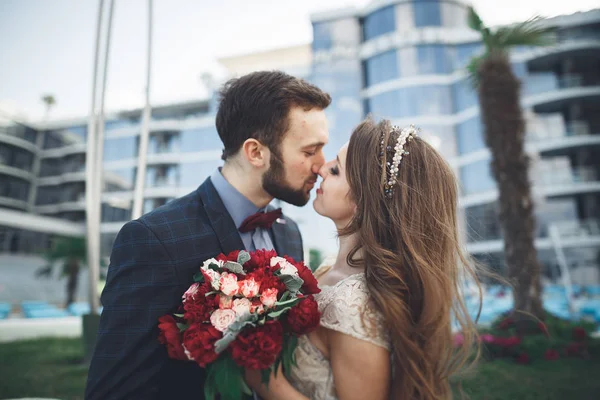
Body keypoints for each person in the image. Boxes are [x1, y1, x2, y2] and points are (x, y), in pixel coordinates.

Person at [85, 70, 332, 400]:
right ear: (255, 152)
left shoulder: (290, 234)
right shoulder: (153, 239)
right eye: (309, 151)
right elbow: (116, 391)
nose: (321, 165)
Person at [246, 118, 481, 400]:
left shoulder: (353, 307)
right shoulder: (329, 270)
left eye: (335, 170)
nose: (320, 168)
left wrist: (266, 382)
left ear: (362, 202)